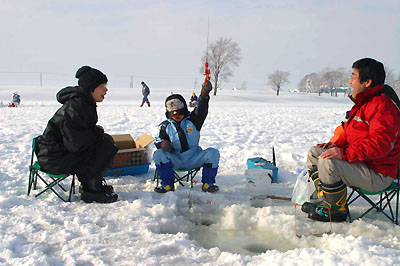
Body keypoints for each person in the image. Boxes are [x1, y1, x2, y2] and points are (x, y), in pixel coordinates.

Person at [302, 58, 400, 222]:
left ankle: (336, 211)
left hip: (378, 174)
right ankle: (327, 200)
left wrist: (343, 153)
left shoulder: (383, 106)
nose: (350, 81)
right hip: (362, 164)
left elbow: (380, 145)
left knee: (329, 162)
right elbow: (352, 134)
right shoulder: (365, 103)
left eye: (353, 76)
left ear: (367, 82)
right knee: (315, 153)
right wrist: (336, 145)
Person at [35, 66, 119, 203]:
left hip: (57, 153)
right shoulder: (77, 107)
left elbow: (78, 134)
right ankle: (91, 190)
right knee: (103, 146)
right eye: (102, 86)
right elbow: (76, 144)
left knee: (104, 142)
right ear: (91, 88)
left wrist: (94, 132)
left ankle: (93, 184)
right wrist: (96, 132)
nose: (106, 90)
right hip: (54, 158)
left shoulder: (83, 103)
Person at [153, 80, 220, 193]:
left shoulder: (194, 120)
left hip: (194, 158)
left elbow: (201, 109)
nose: (178, 116)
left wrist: (204, 94)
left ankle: (208, 183)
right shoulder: (165, 126)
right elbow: (157, 139)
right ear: (169, 114)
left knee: (213, 153)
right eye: (174, 114)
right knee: (158, 154)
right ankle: (167, 184)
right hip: (176, 159)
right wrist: (163, 144)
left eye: (180, 112)